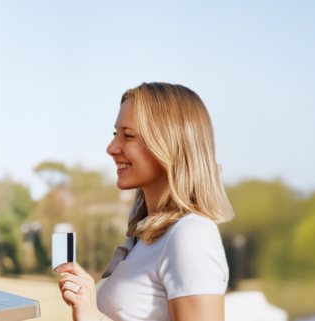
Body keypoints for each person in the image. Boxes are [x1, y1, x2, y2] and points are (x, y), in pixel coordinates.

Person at [55, 82, 234, 320]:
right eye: (115, 134)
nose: (111, 148)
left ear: (168, 145)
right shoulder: (147, 236)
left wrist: (92, 317)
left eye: (128, 135)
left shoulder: (191, 234)